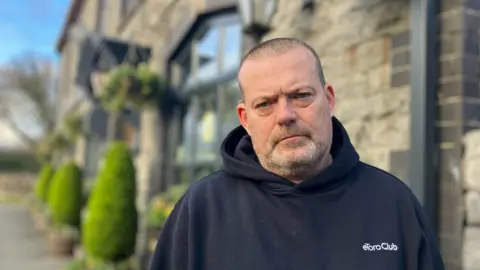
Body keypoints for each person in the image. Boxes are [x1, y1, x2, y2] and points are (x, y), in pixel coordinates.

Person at [149, 37, 445, 270]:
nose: (285, 115)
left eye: (301, 96)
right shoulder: (201, 209)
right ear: (245, 119)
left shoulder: (392, 203)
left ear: (329, 100)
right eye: (265, 104)